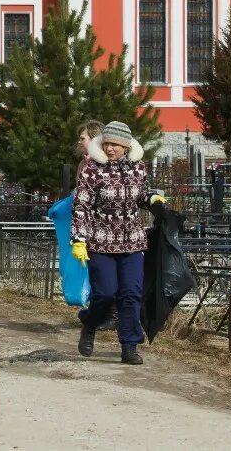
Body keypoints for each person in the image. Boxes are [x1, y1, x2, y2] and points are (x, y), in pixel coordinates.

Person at [71, 121, 162, 365]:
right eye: (107, 143)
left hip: (132, 242)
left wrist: (153, 199)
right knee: (106, 293)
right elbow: (82, 205)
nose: (110, 149)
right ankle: (90, 322)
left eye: (116, 145)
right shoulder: (92, 168)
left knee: (131, 293)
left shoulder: (138, 168)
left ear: (126, 146)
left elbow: (141, 196)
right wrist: (79, 239)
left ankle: (129, 346)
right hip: (101, 242)